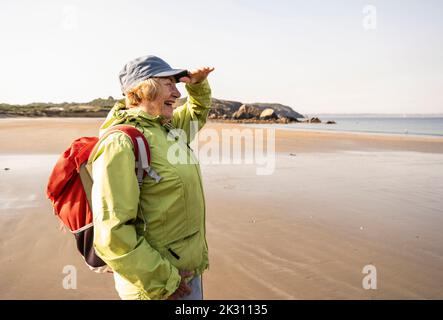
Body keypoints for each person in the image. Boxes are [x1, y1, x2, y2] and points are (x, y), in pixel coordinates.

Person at [89, 55, 214, 300]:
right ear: (144, 88)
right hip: (157, 287)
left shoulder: (166, 128)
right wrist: (163, 281)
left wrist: (197, 85)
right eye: (169, 84)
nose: (177, 93)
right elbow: (112, 234)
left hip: (187, 275)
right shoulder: (120, 143)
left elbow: (197, 112)